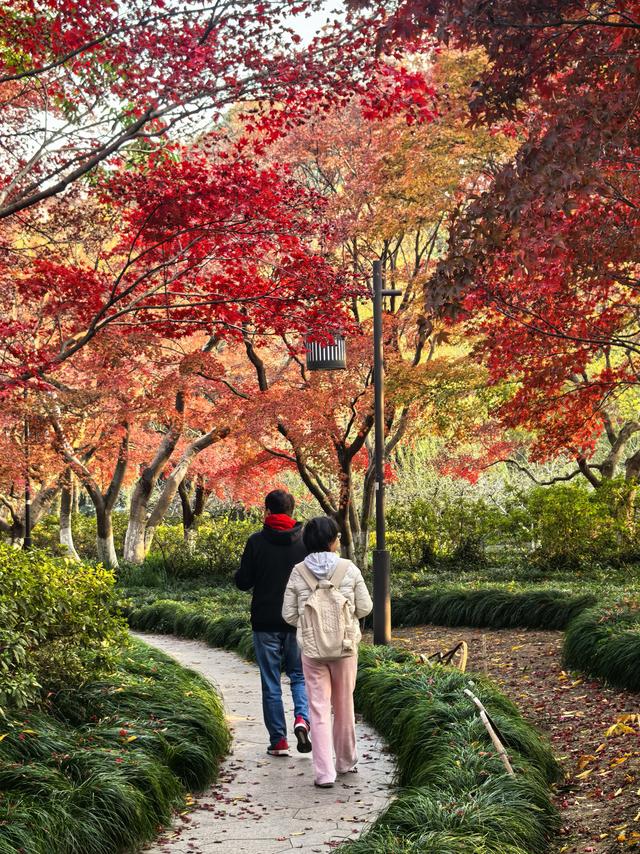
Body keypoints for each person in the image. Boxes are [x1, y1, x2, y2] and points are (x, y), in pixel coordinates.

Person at [282, 516, 372, 788]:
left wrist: (311, 625)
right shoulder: (349, 569)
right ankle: (346, 762)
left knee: (318, 709)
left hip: (312, 650)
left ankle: (324, 774)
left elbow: (288, 614)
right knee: (344, 705)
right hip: (344, 648)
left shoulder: (298, 571)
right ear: (334, 540)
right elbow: (365, 607)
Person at [234, 489, 311, 757]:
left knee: (271, 682)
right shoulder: (305, 542)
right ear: (292, 510)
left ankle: (278, 741)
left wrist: (239, 572)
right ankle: (302, 718)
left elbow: (244, 582)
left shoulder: (256, 541)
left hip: (265, 621)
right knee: (299, 676)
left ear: (267, 511)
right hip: (298, 621)